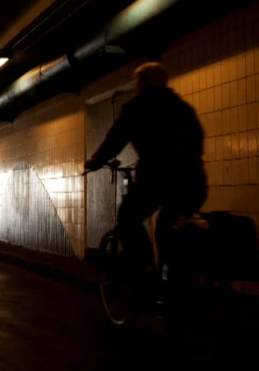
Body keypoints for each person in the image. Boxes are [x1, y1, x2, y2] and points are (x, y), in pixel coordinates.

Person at [85, 61, 207, 273]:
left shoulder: (137, 107)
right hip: (195, 183)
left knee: (127, 218)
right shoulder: (183, 107)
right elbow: (199, 142)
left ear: (142, 83)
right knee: (170, 225)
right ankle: (173, 274)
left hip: (157, 181)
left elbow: (115, 141)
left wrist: (94, 162)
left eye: (136, 82)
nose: (135, 87)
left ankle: (146, 269)